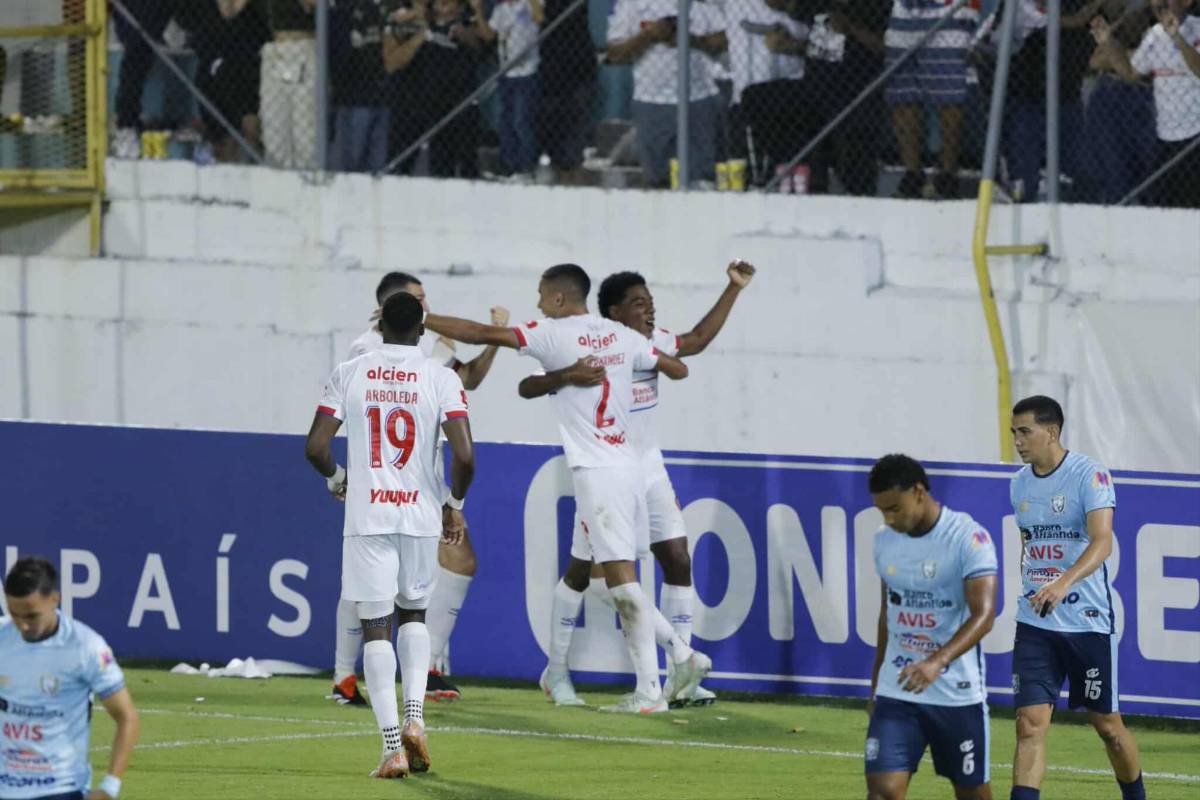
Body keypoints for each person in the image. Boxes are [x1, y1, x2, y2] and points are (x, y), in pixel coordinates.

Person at [424, 263, 712, 712]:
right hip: (625, 469)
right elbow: (677, 367)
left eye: (541, 295)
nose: (537, 303)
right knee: (580, 572)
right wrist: (614, 372)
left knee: (618, 580)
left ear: (558, 300)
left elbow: (480, 333)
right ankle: (558, 673)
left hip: (601, 471)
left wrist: (421, 317)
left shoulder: (552, 333)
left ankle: (659, 680)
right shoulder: (622, 335)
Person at [524, 260, 756, 707]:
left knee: (676, 557)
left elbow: (697, 341)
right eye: (638, 304)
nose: (650, 312)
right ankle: (565, 672)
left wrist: (733, 287)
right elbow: (535, 383)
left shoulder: (652, 342)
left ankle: (678, 679)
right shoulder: (592, 345)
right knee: (588, 574)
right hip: (606, 469)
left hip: (646, 468)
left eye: (651, 303)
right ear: (612, 313)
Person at [305, 291, 475, 778]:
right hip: (420, 515)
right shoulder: (441, 377)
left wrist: (339, 479)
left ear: (379, 326)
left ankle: (391, 747)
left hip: (369, 517)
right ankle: (416, 719)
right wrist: (454, 505)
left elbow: (315, 447)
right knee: (414, 615)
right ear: (422, 329)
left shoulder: (351, 371)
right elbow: (465, 457)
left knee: (376, 626)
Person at [330, 271, 508, 706]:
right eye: (419, 299)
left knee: (452, 564)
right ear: (391, 307)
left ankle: (420, 670)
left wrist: (494, 341)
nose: (428, 306)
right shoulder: (363, 350)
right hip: (382, 480)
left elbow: (469, 379)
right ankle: (345, 677)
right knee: (374, 587)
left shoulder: (429, 348)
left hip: (422, 483)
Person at [1007, 395, 1146, 800]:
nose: (1017, 440)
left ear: (1051, 432)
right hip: (1035, 621)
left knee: (1108, 727)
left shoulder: (1090, 475)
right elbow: (1029, 545)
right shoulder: (1019, 484)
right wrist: (1036, 587)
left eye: (1025, 431)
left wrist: (1063, 582)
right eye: (1014, 432)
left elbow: (1103, 542)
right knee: (1029, 723)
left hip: (1086, 621)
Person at [865, 454, 998, 800]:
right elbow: (888, 613)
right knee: (882, 793)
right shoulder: (884, 541)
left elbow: (983, 615)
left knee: (971, 793)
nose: (889, 519)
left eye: (895, 508)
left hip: (956, 693)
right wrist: (877, 682)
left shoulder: (968, 539)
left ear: (919, 491)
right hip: (899, 690)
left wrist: (936, 662)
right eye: (882, 511)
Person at [1, 556, 141, 800]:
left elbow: (126, 716)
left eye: (32, 616)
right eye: (15, 614)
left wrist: (110, 787)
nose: (22, 625)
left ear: (55, 598)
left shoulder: (86, 647)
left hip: (60, 789)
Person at [605, 0, 728, 187]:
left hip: (698, 98)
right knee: (657, 181)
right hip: (651, 102)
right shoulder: (632, 4)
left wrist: (689, 39)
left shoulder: (702, 3)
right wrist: (649, 35)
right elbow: (615, 54)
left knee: (702, 180)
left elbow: (724, 40)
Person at [1090, 0, 1200, 207]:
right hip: (1165, 140)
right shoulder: (1154, 35)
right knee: (1166, 205)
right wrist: (1108, 42)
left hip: (1195, 139)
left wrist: (1177, 37)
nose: (1160, 3)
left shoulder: (1197, 28)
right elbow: (1132, 73)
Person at [884, 0, 981, 198]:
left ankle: (947, 176)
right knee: (903, 95)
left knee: (949, 96)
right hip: (906, 9)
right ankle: (912, 174)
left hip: (950, 7)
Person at [384, 0, 486, 177]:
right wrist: (418, 32)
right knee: (416, 160)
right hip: (420, 102)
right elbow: (392, 61)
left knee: (459, 161)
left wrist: (466, 31)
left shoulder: (466, 22)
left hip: (457, 103)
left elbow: (481, 42)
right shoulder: (410, 22)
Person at [472, 0, 545, 180]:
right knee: (506, 121)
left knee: (522, 120)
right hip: (506, 72)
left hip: (527, 72)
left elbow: (539, 17)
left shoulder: (529, 4)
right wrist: (478, 10)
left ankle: (526, 167)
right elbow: (488, 35)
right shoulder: (500, 10)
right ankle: (509, 166)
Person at [330, 0, 402, 172]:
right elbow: (335, 56)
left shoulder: (390, 8)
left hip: (383, 95)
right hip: (352, 96)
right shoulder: (341, 10)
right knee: (350, 164)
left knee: (378, 167)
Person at [261, 0, 318, 168]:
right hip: (276, 50)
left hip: (303, 47)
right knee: (274, 130)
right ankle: (276, 181)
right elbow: (229, 10)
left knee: (305, 133)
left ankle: (308, 182)